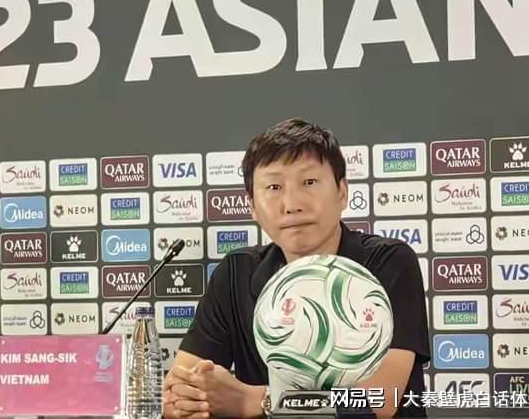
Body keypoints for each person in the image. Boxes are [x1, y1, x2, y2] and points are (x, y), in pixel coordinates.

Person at [163, 118, 430, 418]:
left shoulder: (388, 262)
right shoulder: (235, 272)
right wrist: (186, 399)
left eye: (309, 182)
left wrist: (258, 401)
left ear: (342, 192)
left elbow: (380, 399)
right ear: (252, 206)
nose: (292, 204)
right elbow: (180, 391)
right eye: (274, 187)